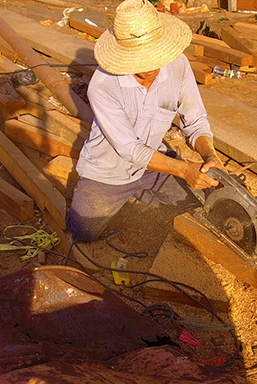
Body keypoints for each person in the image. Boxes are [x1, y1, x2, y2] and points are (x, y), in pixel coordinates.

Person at [66, 0, 226, 243]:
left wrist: (209, 155)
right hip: (109, 172)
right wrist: (184, 170)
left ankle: (144, 195)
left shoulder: (178, 65)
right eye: (140, 60)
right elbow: (129, 149)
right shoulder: (103, 84)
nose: (150, 67)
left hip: (155, 161)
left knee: (198, 203)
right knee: (83, 233)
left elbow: (195, 119)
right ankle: (127, 198)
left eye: (155, 57)